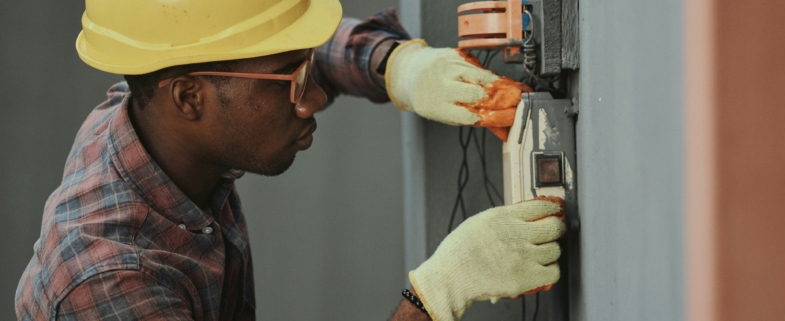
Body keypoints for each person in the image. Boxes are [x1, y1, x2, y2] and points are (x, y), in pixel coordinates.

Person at [14, 1, 566, 320]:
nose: (314, 98)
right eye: (292, 81)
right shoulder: (110, 282)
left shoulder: (154, 107)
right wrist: (434, 297)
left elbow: (267, 56)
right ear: (188, 98)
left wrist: (397, 66)